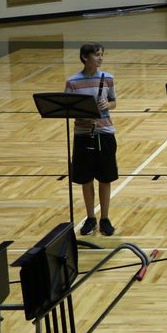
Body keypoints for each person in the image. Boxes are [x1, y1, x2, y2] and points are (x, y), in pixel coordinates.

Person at [65, 43, 119, 236]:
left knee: (105, 178)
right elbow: (68, 108)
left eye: (101, 55)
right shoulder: (73, 82)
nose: (100, 58)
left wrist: (107, 104)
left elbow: (113, 101)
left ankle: (105, 218)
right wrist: (83, 114)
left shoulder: (108, 78)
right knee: (86, 179)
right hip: (83, 134)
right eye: (97, 55)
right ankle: (90, 217)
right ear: (85, 58)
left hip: (104, 132)